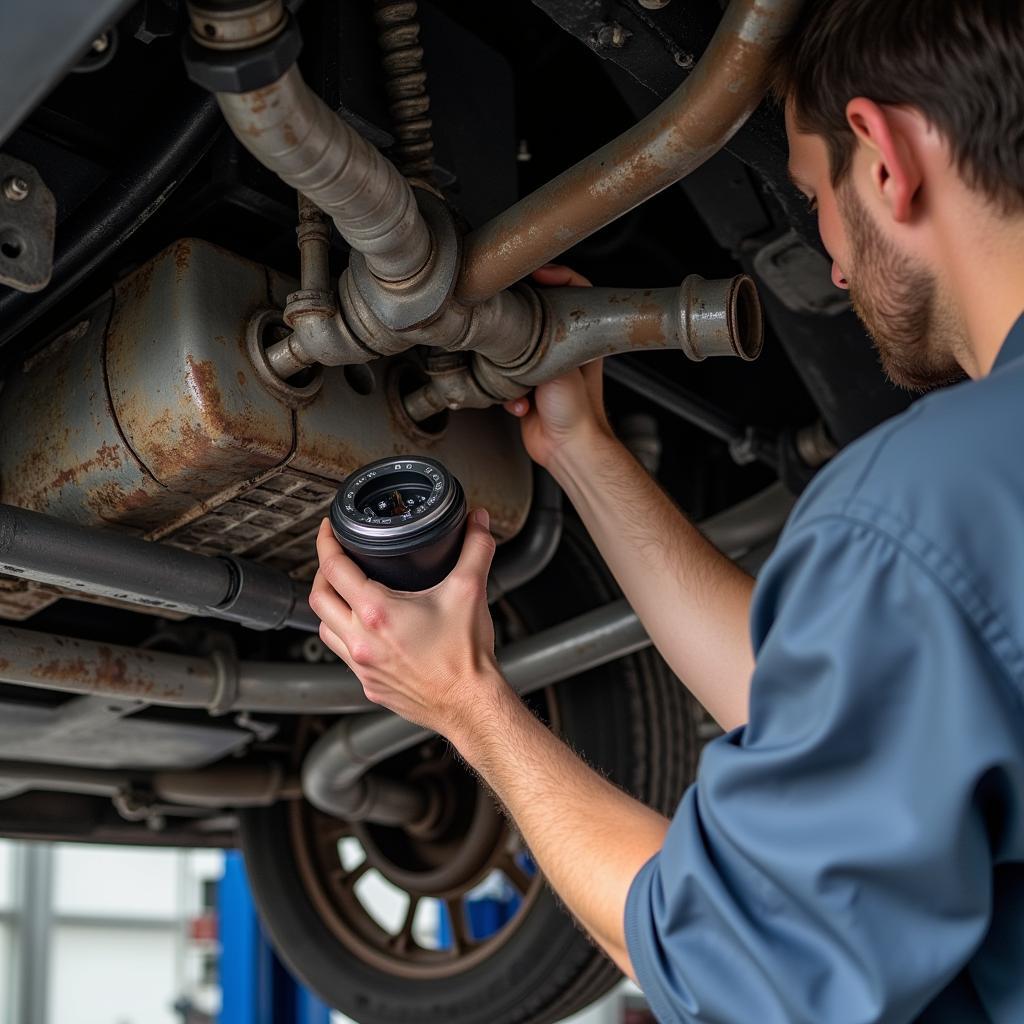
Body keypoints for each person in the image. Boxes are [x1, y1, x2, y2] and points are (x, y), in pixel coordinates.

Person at [309, 1, 1024, 1020]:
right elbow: (867, 696)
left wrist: (465, 700)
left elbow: (737, 968)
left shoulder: (917, 505)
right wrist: (583, 452)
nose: (828, 260)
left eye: (810, 195)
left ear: (883, 156)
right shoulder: (966, 510)